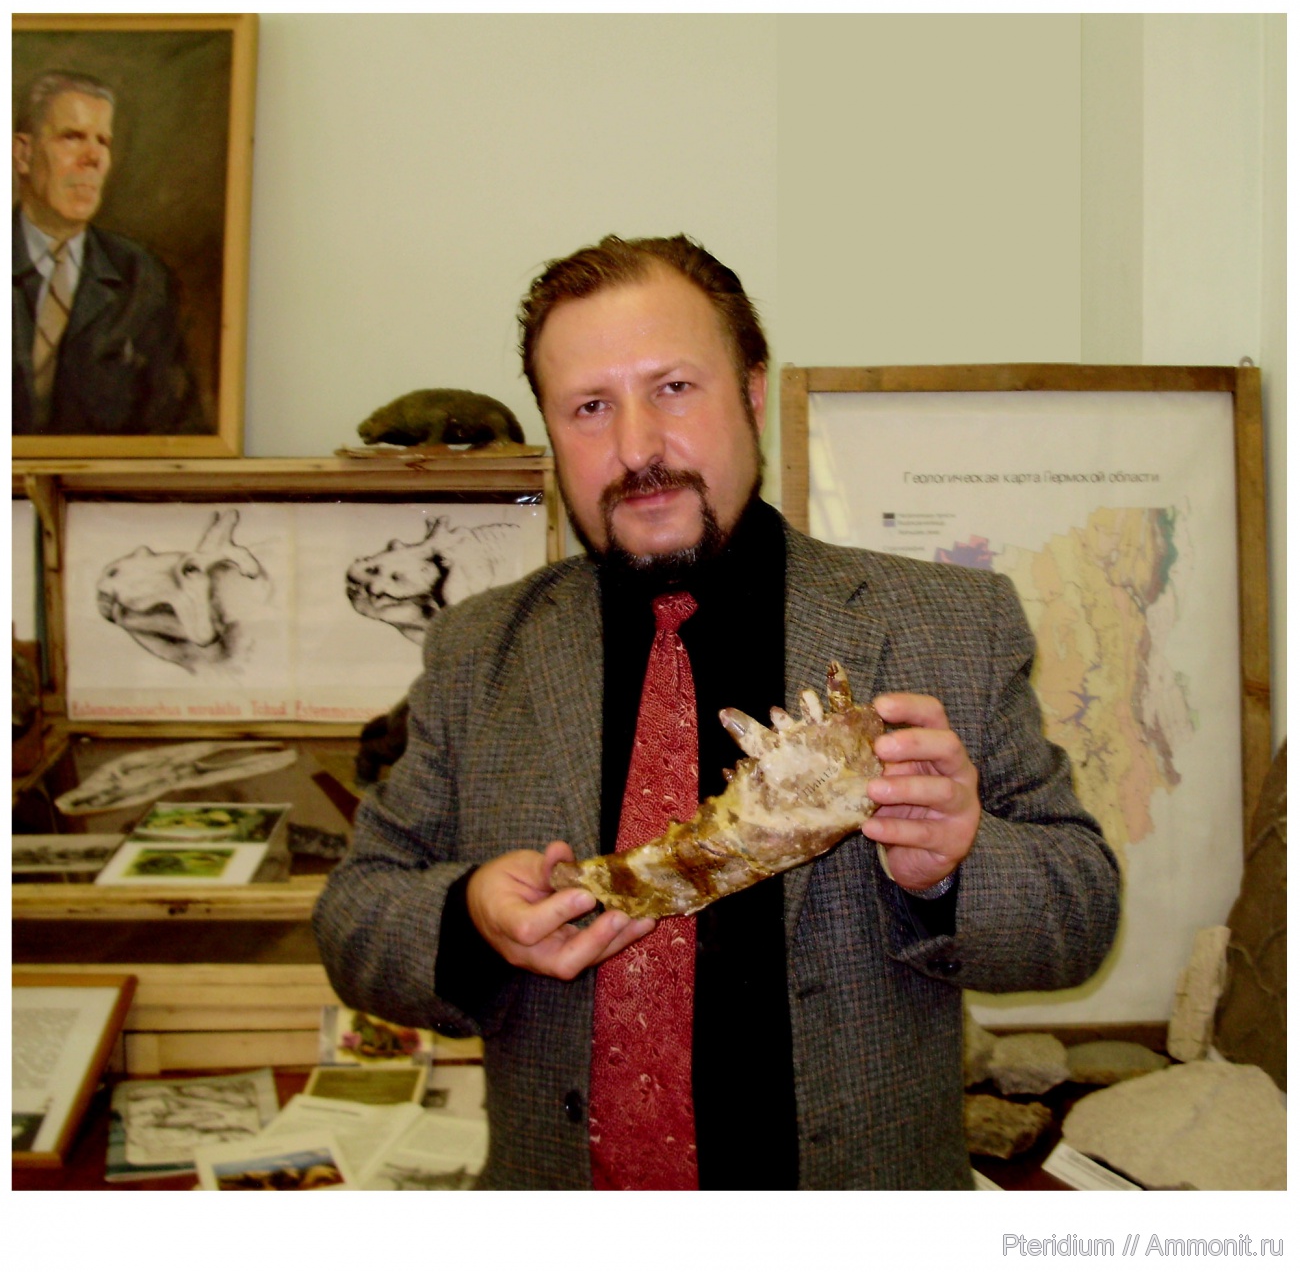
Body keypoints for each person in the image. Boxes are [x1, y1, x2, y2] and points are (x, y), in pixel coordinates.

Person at [313, 234, 1120, 1189]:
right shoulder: (478, 651)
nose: (637, 449)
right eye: (589, 407)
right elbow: (356, 916)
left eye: (673, 388)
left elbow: (1080, 912)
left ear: (751, 395)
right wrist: (467, 919)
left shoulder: (945, 625)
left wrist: (954, 866)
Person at [12, 70, 202, 436]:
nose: (94, 157)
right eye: (72, 137)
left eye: (103, 141)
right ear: (23, 153)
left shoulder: (142, 278)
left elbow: (177, 431)